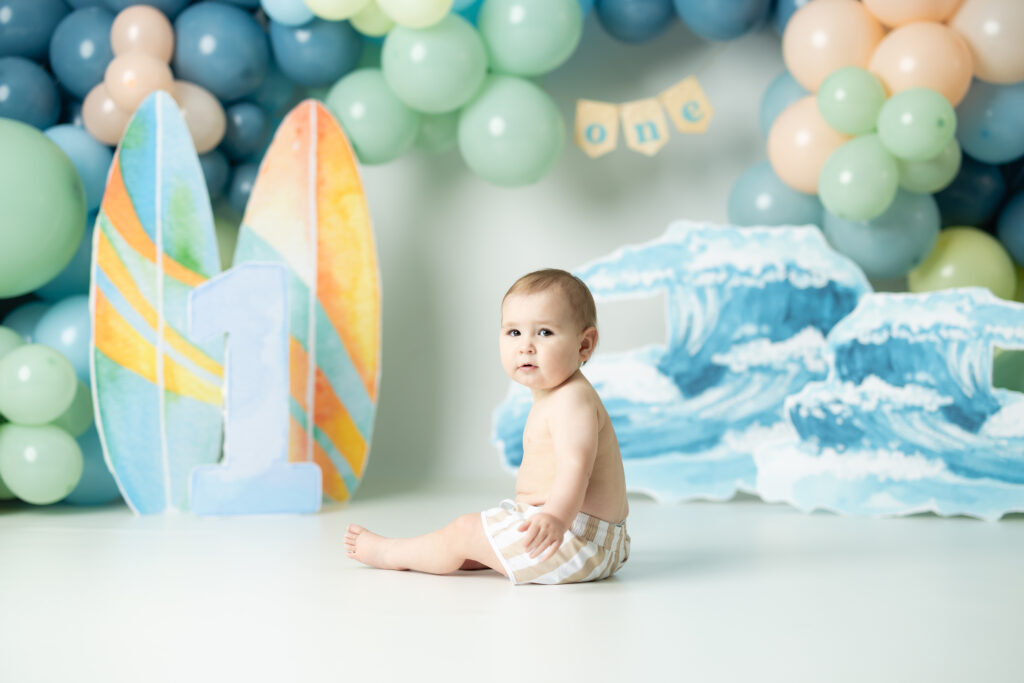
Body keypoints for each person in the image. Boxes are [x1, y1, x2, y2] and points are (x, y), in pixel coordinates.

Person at [345, 269, 630, 585]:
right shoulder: (557, 394)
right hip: (568, 533)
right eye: (514, 333)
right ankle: (447, 552)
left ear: (584, 345)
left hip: (576, 542)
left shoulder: (572, 400)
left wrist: (556, 517)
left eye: (545, 332)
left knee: (465, 531)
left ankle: (391, 553)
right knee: (472, 543)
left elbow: (576, 466)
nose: (526, 346)